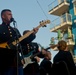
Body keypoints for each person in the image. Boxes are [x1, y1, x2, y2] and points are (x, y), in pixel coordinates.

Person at [0, 9, 38, 75]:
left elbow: (22, 42)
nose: (11, 16)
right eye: (9, 14)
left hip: (16, 60)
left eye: (12, 14)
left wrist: (33, 34)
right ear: (3, 16)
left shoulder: (15, 30)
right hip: (5, 61)